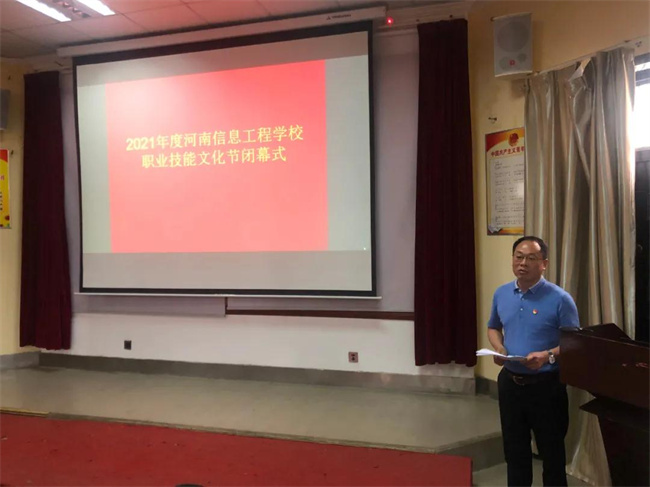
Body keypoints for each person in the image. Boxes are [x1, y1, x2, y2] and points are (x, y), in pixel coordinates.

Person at [488, 236, 580, 487]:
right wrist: (499, 348)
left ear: (544, 264)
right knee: (514, 450)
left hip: (546, 386)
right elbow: (493, 327)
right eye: (519, 257)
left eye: (531, 258)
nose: (523, 263)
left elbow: (574, 343)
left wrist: (547, 355)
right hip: (510, 383)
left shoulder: (560, 298)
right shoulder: (502, 293)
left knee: (552, 452)